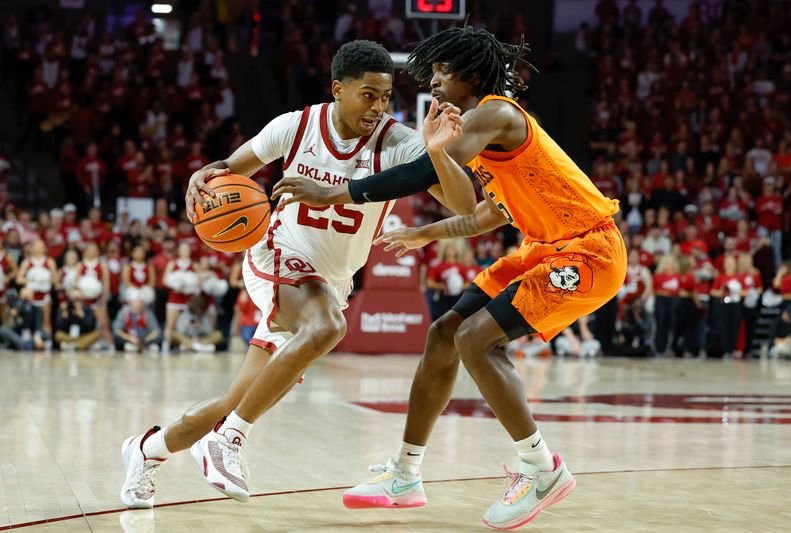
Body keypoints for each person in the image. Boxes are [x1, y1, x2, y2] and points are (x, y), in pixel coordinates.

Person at [275, 26, 627, 529]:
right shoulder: (482, 134)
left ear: (469, 73)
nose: (433, 83)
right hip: (542, 249)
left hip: (589, 250)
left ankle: (541, 468)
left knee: (476, 340)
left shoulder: (496, 113)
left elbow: (421, 174)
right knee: (443, 334)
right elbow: (485, 215)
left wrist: (335, 192)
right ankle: (405, 475)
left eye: (441, 72)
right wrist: (426, 233)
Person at [120, 40, 473, 509]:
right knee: (328, 327)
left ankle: (146, 451)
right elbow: (228, 170)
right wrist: (200, 178)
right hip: (277, 255)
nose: (378, 106)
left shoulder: (399, 142)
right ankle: (229, 442)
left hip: (331, 281)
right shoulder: (296, 125)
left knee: (237, 399)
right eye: (368, 94)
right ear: (338, 89)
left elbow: (466, 206)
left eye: (386, 96)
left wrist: (438, 154)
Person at [112, 288, 161, 352]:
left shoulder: (148, 313)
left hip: (145, 340)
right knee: (116, 337)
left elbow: (156, 330)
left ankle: (148, 347)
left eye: (140, 301)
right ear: (131, 302)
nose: (138, 304)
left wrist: (147, 338)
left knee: (159, 339)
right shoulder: (124, 312)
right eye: (136, 301)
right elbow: (117, 330)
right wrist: (130, 338)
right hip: (129, 339)